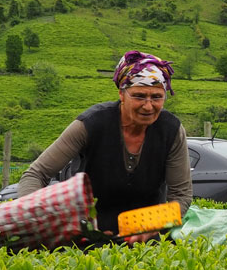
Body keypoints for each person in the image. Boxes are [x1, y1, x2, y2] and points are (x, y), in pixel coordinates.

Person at [18, 50, 192, 238]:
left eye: (157, 97)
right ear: (122, 94)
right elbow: (36, 174)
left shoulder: (171, 130)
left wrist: (154, 226)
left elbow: (181, 195)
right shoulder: (92, 124)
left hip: (145, 236)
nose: (148, 106)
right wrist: (34, 218)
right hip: (87, 234)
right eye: (139, 96)